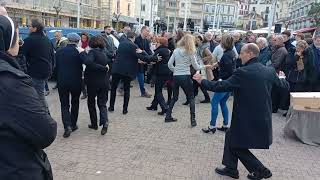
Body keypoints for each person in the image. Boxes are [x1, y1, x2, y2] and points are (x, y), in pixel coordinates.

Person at [193, 43, 288, 180]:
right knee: (231, 135)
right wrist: (283, 78)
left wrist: (202, 81)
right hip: (262, 117)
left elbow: (221, 86)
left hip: (246, 117)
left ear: (250, 54)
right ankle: (231, 168)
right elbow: (283, 87)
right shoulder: (269, 71)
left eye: (242, 52)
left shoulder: (243, 72)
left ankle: (260, 169)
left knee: (235, 144)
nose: (240, 55)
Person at [0, 15, 57, 180]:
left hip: (37, 74)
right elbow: (46, 132)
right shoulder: (11, 81)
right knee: (38, 98)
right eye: (17, 37)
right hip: (14, 167)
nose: (19, 42)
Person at [109, 31, 161, 115]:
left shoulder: (121, 44)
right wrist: (154, 58)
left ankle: (111, 107)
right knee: (126, 90)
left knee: (113, 89)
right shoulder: (133, 46)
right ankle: (124, 109)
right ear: (133, 38)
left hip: (117, 69)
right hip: (127, 71)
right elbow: (143, 57)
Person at [165, 34, 211, 126]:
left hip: (176, 76)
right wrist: (206, 66)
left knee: (175, 97)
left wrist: (176, 70)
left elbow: (169, 64)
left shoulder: (176, 50)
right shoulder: (191, 52)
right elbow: (196, 66)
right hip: (185, 76)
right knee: (191, 97)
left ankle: (168, 116)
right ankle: (192, 120)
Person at [202, 34, 236, 134]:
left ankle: (212, 126)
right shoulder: (231, 53)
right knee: (222, 103)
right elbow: (223, 64)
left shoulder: (226, 55)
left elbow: (228, 69)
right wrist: (214, 65)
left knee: (214, 102)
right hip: (229, 83)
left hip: (224, 83)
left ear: (223, 43)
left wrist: (222, 80)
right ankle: (225, 125)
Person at [20, 18, 55, 114]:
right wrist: (50, 70)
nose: (28, 28)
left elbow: (21, 55)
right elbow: (53, 57)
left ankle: (47, 118)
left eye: (29, 26)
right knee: (36, 95)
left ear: (35, 28)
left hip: (36, 73)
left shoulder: (29, 40)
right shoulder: (47, 40)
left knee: (39, 96)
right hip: (45, 72)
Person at [55, 33, 86, 138]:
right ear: (78, 41)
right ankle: (73, 124)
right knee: (75, 102)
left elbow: (56, 66)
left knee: (64, 104)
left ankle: (66, 126)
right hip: (76, 81)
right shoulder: (79, 52)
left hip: (62, 81)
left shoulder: (59, 51)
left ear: (68, 40)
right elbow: (86, 62)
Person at [84, 35, 111, 135]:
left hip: (93, 82)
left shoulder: (92, 52)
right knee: (102, 103)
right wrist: (104, 68)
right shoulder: (104, 52)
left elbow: (88, 62)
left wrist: (83, 53)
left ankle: (94, 124)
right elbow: (109, 62)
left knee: (91, 102)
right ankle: (105, 122)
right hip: (104, 81)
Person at [146, 37, 172, 115]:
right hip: (165, 72)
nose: (155, 44)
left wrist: (143, 52)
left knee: (158, 91)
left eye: (157, 42)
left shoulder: (160, 50)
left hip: (161, 73)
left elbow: (152, 58)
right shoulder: (166, 50)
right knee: (158, 89)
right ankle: (154, 105)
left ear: (160, 43)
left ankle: (164, 108)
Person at [194, 34, 213, 103]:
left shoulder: (204, 48)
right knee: (197, 82)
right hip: (200, 67)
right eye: (196, 40)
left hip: (203, 67)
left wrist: (202, 60)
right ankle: (194, 95)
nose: (196, 41)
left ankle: (207, 98)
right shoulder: (198, 47)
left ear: (201, 41)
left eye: (198, 40)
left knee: (200, 83)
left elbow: (211, 56)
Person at [134, 26, 153, 98]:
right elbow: (135, 50)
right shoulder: (136, 39)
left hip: (142, 61)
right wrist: (138, 59)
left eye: (149, 31)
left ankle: (143, 92)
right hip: (136, 60)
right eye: (147, 31)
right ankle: (121, 87)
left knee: (140, 75)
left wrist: (152, 57)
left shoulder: (147, 41)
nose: (148, 32)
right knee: (132, 76)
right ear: (142, 31)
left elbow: (148, 51)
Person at [80, 32, 90, 100]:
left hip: (87, 63)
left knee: (88, 79)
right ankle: (84, 93)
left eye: (85, 38)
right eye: (82, 38)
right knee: (82, 79)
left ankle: (89, 92)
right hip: (81, 63)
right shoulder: (79, 43)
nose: (83, 39)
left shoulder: (89, 44)